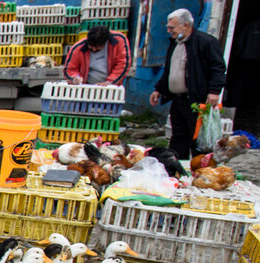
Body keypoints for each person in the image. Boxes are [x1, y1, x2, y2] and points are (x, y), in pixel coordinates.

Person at [149, 8, 227, 158]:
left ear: (185, 25)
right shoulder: (175, 43)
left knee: (198, 140)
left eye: (172, 27)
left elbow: (218, 68)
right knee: (178, 137)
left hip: (196, 100)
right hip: (178, 100)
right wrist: (159, 89)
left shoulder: (206, 42)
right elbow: (170, 70)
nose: (168, 30)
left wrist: (214, 91)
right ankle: (178, 170)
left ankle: (200, 172)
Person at [64, 24, 130, 86]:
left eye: (98, 47)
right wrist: (75, 78)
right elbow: (69, 70)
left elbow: (123, 64)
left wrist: (109, 82)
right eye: (91, 47)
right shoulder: (78, 48)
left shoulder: (118, 41)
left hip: (111, 87)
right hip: (87, 87)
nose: (94, 49)